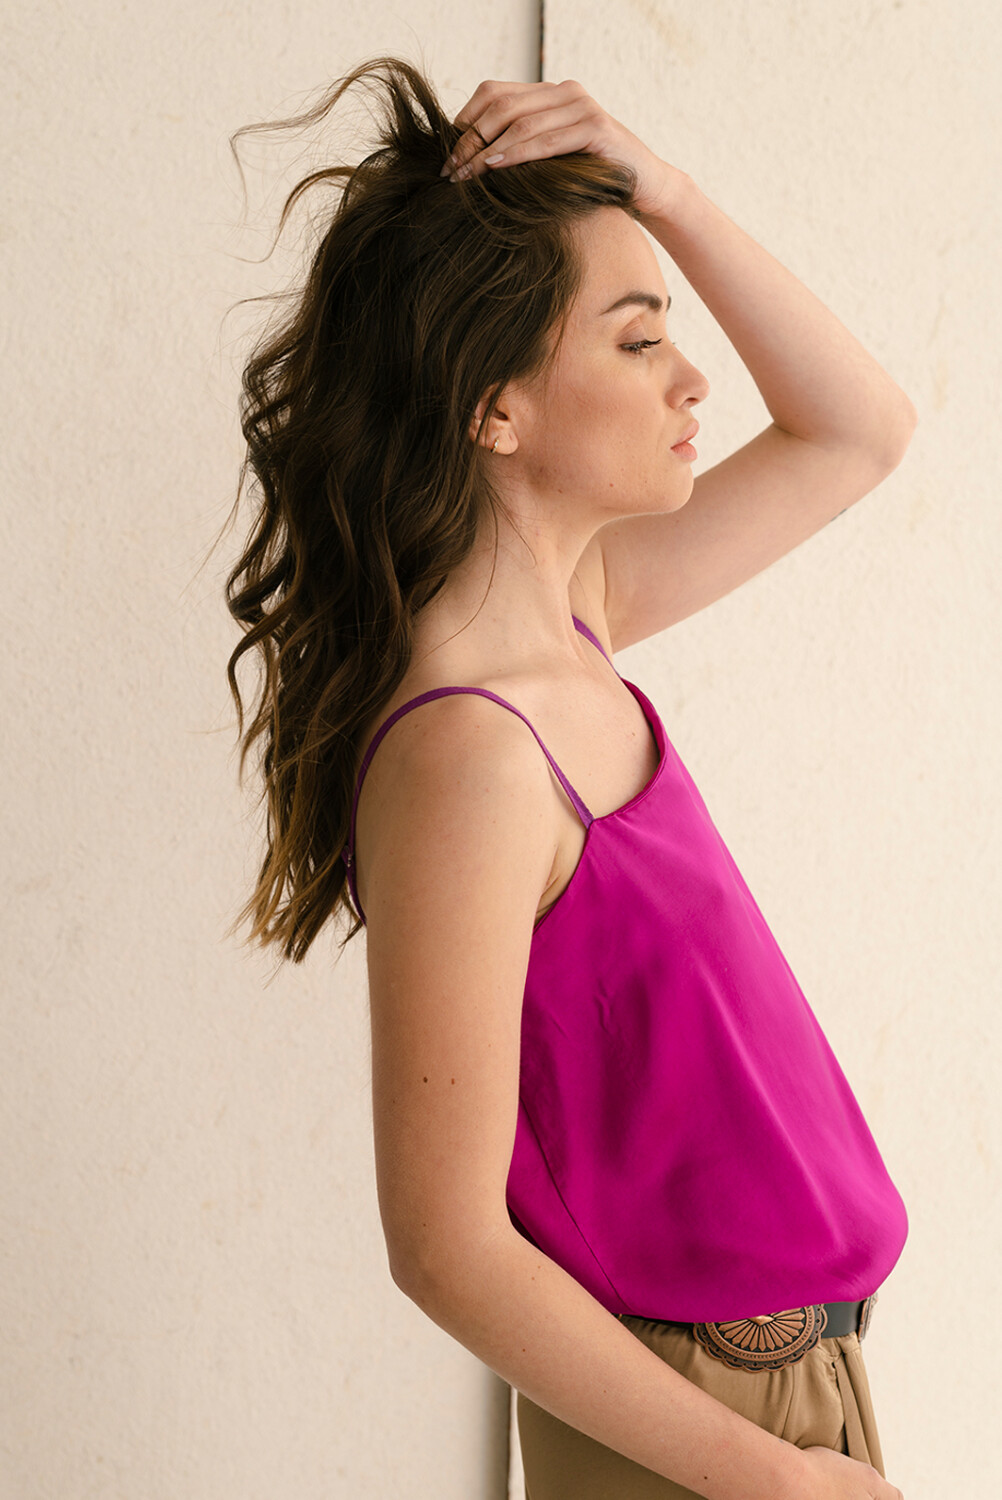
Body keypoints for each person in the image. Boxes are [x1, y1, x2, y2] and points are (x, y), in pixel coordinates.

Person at [223, 55, 916, 1500]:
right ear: (494, 410)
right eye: (636, 339)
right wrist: (775, 1480)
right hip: (694, 1430)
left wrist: (663, 190)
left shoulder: (579, 623)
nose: (691, 378)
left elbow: (859, 429)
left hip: (787, 1395)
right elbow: (444, 1248)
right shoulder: (471, 756)